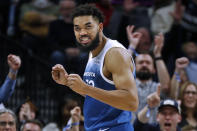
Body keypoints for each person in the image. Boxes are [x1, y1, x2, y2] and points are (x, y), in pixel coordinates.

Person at [51, 4, 139, 131]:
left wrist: (86, 89)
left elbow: (131, 102)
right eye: (77, 28)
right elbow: (99, 94)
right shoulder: (93, 51)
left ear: (100, 27)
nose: (82, 33)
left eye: (88, 27)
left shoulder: (115, 54)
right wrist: (68, 83)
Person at [127, 25, 170, 123]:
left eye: (148, 62)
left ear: (154, 69)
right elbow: (118, 70)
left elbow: (166, 86)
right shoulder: (126, 86)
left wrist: (158, 54)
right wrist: (132, 46)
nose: (144, 65)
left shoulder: (157, 87)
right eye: (141, 62)